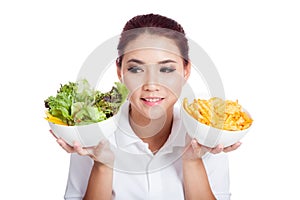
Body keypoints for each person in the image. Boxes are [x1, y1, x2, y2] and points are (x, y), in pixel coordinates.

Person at [54, 13, 241, 200]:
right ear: (120, 72)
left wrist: (193, 161)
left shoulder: (206, 134)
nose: (151, 84)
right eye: (136, 69)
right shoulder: (92, 135)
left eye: (166, 69)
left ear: (186, 71)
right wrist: (102, 165)